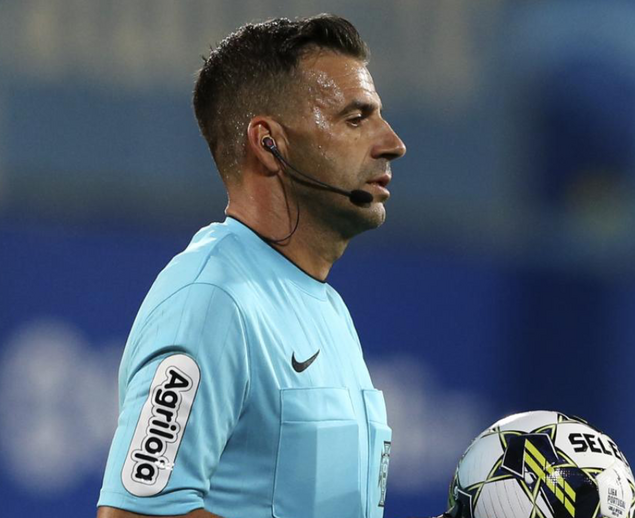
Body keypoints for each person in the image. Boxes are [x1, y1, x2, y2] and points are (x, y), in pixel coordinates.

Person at [97, 14, 407, 518]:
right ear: (269, 144)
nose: (392, 142)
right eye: (356, 119)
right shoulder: (212, 301)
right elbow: (136, 514)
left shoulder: (328, 308)